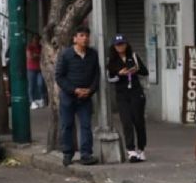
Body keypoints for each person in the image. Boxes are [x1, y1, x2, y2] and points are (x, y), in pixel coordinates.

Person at [54, 25, 100, 166]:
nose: (85, 38)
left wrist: (90, 90)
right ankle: (68, 154)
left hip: (85, 97)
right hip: (69, 97)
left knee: (86, 125)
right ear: (75, 39)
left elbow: (96, 75)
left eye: (86, 35)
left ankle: (86, 154)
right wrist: (74, 90)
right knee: (67, 125)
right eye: (81, 35)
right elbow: (59, 76)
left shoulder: (92, 54)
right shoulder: (66, 54)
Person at [106, 34, 149, 163]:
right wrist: (119, 74)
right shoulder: (111, 61)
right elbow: (109, 77)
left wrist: (135, 70)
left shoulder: (133, 56)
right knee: (126, 122)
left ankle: (141, 149)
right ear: (114, 46)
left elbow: (145, 72)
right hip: (122, 94)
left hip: (136, 92)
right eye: (118, 45)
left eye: (122, 44)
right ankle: (131, 150)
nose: (120, 47)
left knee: (138, 121)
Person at [27, 34, 45, 109]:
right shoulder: (30, 47)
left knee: (40, 84)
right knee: (32, 86)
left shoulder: (41, 47)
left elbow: (44, 56)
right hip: (31, 68)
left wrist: (36, 55)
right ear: (32, 40)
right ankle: (32, 101)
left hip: (40, 68)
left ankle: (41, 99)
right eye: (35, 39)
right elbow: (30, 56)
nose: (36, 41)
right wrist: (38, 55)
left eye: (38, 39)